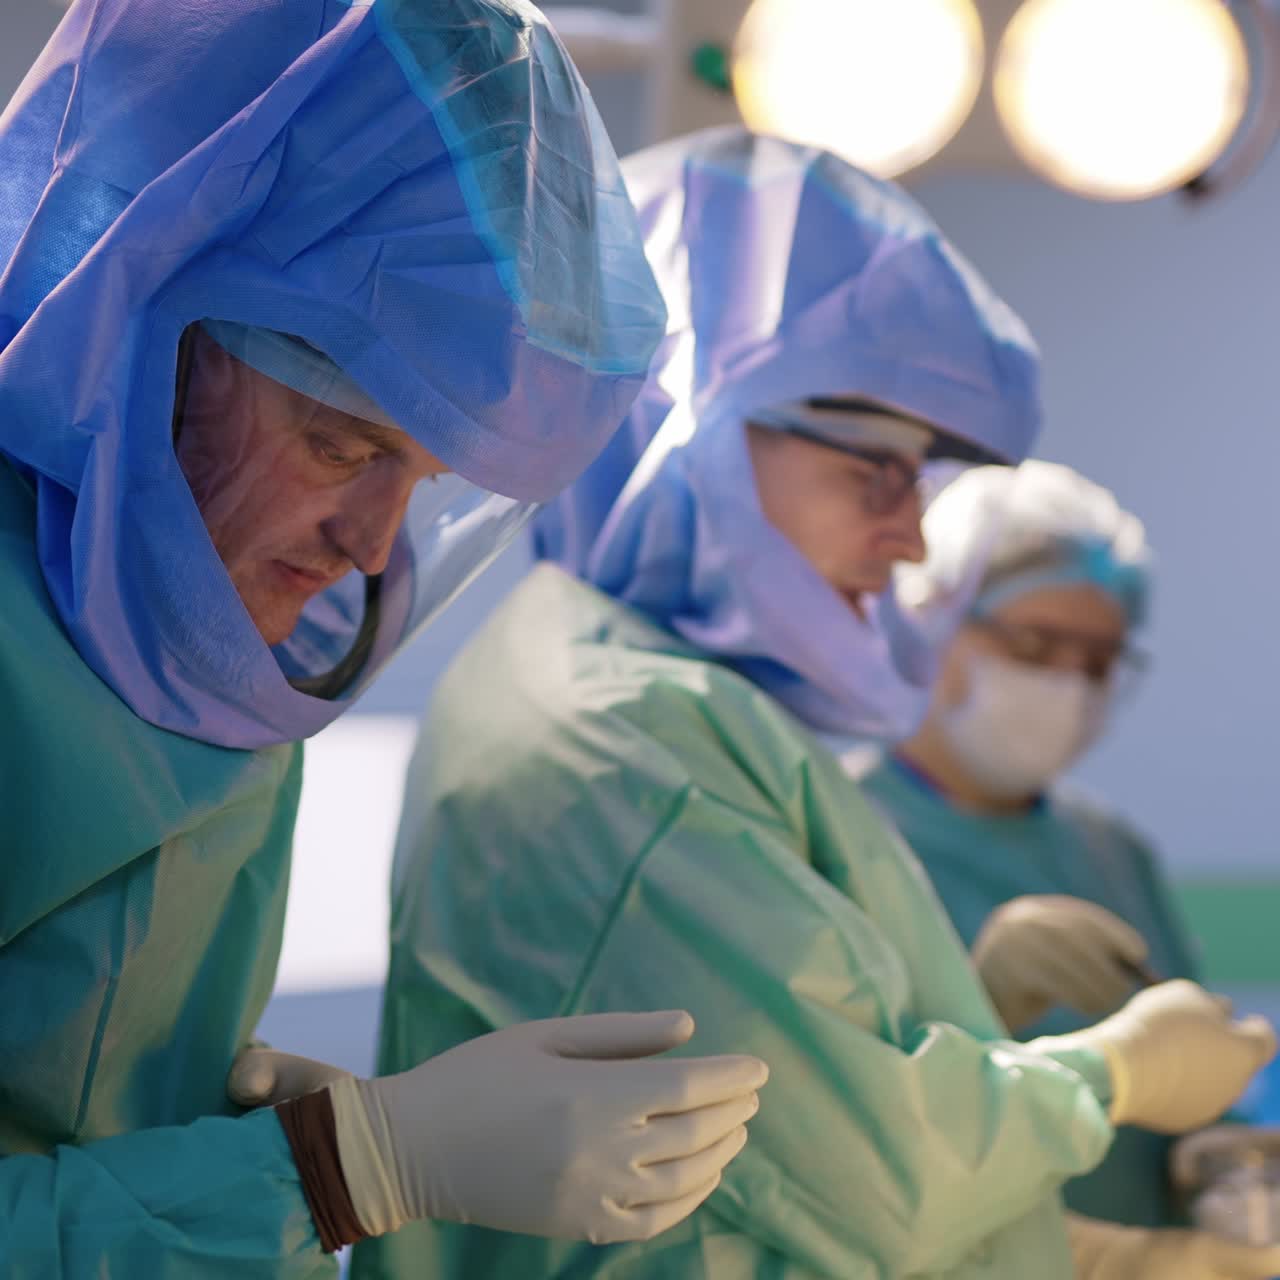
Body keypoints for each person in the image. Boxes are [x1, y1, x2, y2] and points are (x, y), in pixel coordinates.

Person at [349, 127, 1280, 1280]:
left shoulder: (656, 699)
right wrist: (1114, 1075)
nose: (910, 535)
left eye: (918, 478)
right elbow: (883, 1178)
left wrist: (979, 1011)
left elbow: (799, 1099)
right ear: (692, 422)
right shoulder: (621, 734)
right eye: (868, 468)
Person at [0, 4, 768, 1275]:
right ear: (134, 324)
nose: (370, 547)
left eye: (420, 477)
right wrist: (336, 1169)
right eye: (341, 444)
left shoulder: (219, 638)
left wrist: (237, 1149)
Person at [854, 460, 1199, 1231]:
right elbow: (837, 1128)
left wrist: (1215, 1157)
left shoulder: (1111, 851)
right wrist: (986, 1001)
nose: (1070, 685)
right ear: (931, 623)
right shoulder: (838, 832)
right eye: (1036, 645)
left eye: (1099, 663)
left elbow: (1187, 1070)